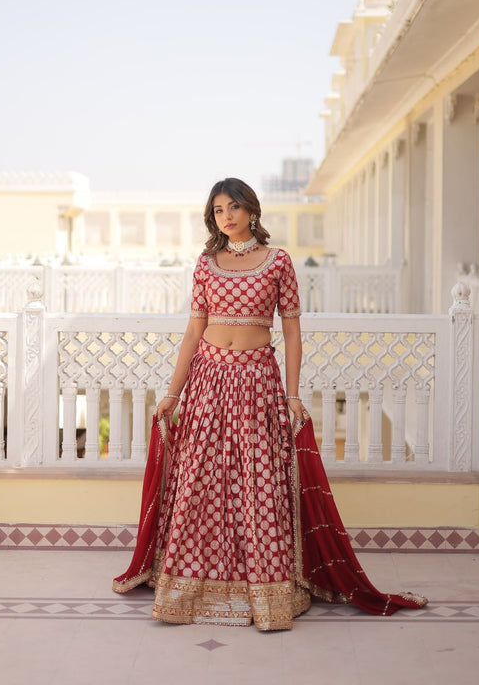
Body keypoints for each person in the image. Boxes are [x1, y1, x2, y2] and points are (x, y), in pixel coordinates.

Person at [113, 178, 427, 630]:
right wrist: (172, 392)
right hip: (208, 380)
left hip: (258, 380)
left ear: (252, 211)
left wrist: (293, 394)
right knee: (201, 479)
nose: (228, 216)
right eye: (219, 210)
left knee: (258, 481)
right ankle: (188, 586)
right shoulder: (206, 263)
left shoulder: (278, 262)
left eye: (234, 207)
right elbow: (192, 332)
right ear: (213, 218)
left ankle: (266, 591)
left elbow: (294, 332)